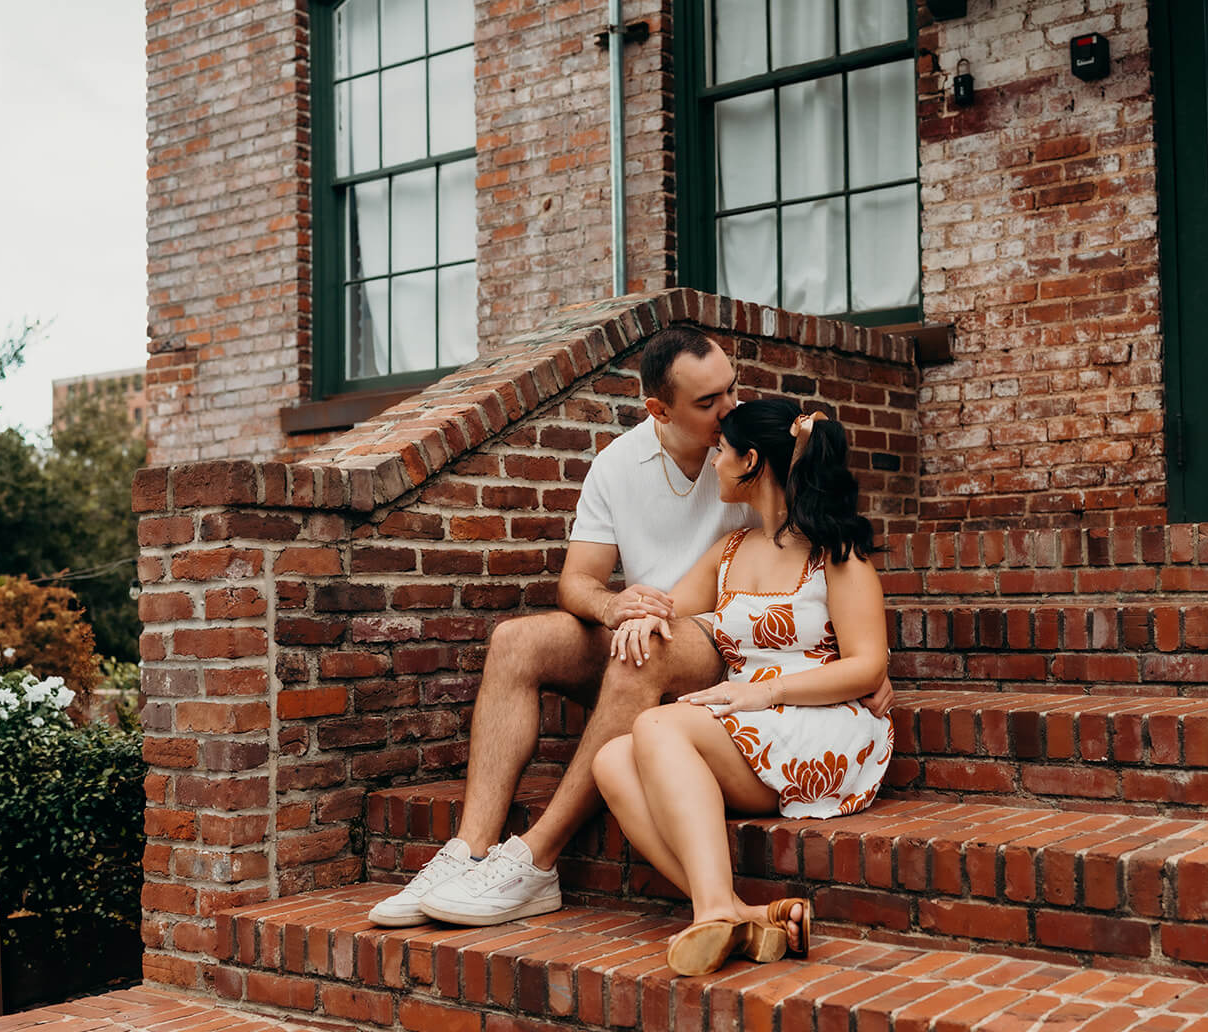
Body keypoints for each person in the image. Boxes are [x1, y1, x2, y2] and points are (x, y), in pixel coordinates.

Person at [367, 325, 753, 927]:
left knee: (641, 652)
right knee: (516, 641)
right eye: (708, 402)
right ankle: (470, 850)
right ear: (659, 409)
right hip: (638, 630)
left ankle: (536, 860)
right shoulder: (618, 464)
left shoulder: (752, 449)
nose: (729, 409)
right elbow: (577, 584)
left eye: (731, 389)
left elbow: (819, 542)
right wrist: (613, 607)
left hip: (718, 639)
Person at [591, 399, 892, 975]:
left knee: (655, 723)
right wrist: (642, 617)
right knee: (611, 760)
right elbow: (669, 605)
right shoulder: (728, 552)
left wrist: (762, 693)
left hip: (821, 720)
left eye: (723, 451)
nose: (714, 462)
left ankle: (711, 911)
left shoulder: (835, 554)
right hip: (749, 721)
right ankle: (739, 913)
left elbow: (867, 666)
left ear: (751, 460)